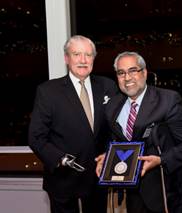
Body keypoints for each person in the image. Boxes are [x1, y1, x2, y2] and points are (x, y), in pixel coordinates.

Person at [28, 35, 118, 213]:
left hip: (98, 179)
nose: (83, 60)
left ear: (94, 58)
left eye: (88, 54)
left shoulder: (108, 86)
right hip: (63, 180)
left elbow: (115, 128)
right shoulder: (48, 91)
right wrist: (61, 159)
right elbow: (36, 137)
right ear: (66, 58)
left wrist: (110, 154)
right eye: (77, 54)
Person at [96, 51, 182, 213]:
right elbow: (117, 143)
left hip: (165, 192)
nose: (127, 78)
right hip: (132, 195)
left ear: (144, 72)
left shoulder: (168, 100)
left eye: (133, 70)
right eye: (121, 72)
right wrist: (109, 156)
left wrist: (161, 160)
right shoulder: (112, 107)